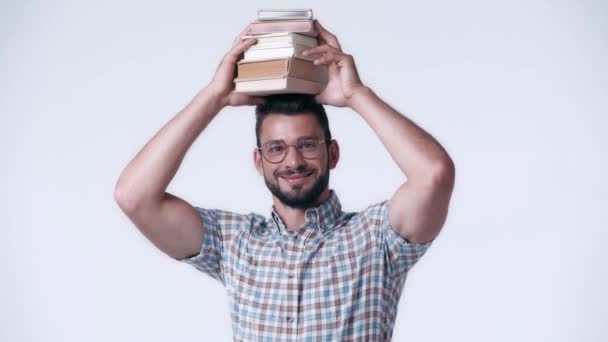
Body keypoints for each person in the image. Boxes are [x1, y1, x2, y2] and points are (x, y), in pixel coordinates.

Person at [114, 19, 455, 341]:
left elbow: (434, 175)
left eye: (307, 145)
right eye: (276, 149)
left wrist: (355, 94)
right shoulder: (233, 243)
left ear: (332, 154)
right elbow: (134, 196)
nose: (292, 161)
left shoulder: (376, 239)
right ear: (259, 161)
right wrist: (212, 98)